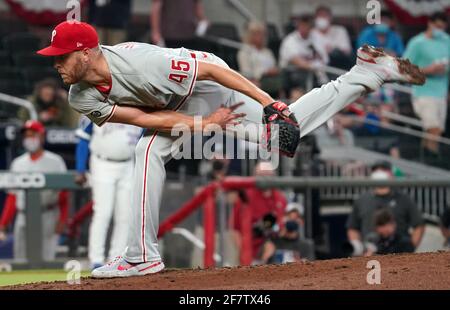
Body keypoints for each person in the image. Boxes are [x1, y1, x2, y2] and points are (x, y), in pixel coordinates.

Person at [36, 20, 424, 277]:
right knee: (148, 150)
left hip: (209, 85)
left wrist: (270, 102)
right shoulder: (79, 96)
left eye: (62, 56)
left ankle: (364, 74)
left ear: (86, 52)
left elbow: (211, 70)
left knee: (277, 133)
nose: (56, 64)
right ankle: (141, 255)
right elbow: (142, 121)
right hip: (174, 106)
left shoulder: (141, 62)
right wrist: (202, 126)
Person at [75, 115, 142, 269]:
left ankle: (117, 258)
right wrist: (80, 168)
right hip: (102, 163)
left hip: (128, 164)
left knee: (125, 215)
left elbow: (144, 140)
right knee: (103, 213)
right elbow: (83, 138)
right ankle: (96, 260)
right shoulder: (97, 104)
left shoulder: (138, 105)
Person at [0, 120, 68, 261]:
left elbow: (63, 194)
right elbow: (12, 197)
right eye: (27, 136)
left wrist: (63, 219)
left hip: (48, 214)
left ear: (42, 136)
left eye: (33, 134)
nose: (29, 139)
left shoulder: (56, 161)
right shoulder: (17, 163)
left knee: (47, 260)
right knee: (21, 260)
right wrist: (3, 224)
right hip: (23, 215)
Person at [346, 161, 425, 256]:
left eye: (383, 170)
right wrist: (359, 250)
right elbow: (353, 227)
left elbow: (419, 225)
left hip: (398, 254)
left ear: (390, 174)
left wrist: (408, 251)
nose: (379, 174)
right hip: (370, 255)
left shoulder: (404, 199)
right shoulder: (362, 199)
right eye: (376, 171)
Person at [403, 12, 450, 160]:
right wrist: (429, 70)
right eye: (437, 26)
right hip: (423, 92)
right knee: (433, 128)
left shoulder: (447, 41)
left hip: (441, 93)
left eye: (443, 27)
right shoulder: (417, 43)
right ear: (429, 24)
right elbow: (404, 67)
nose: (440, 30)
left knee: (436, 131)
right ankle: (434, 161)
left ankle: (425, 160)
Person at [230, 161, 287, 264]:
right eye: (262, 175)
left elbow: (283, 227)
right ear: (255, 176)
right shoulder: (245, 197)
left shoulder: (280, 199)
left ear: (273, 177)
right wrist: (244, 253)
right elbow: (235, 228)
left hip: (275, 251)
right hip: (251, 253)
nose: (265, 179)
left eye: (268, 175)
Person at [237, 21, 279, 87]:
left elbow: (274, 68)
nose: (261, 36)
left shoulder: (268, 52)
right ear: (250, 35)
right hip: (255, 83)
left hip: (272, 82)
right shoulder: (244, 52)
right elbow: (246, 73)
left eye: (262, 34)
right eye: (256, 34)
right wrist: (265, 72)